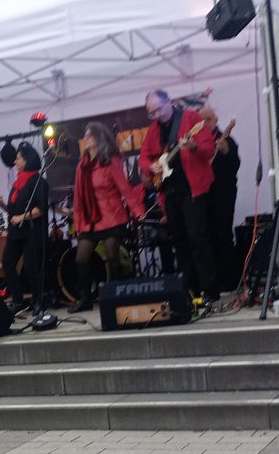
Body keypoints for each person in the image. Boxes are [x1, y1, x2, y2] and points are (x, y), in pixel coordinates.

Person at [140, 89, 220, 310]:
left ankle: (210, 291)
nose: (156, 115)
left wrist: (193, 146)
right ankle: (189, 290)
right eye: (151, 112)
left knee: (198, 240)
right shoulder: (153, 129)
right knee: (180, 243)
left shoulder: (191, 119)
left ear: (169, 102)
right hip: (171, 192)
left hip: (193, 189)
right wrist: (151, 166)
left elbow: (208, 149)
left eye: (158, 109)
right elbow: (144, 156)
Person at [69, 121, 144, 313]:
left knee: (112, 256)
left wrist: (138, 211)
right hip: (90, 221)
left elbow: (124, 188)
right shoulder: (82, 165)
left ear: (99, 137)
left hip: (112, 216)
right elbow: (78, 196)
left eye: (89, 135)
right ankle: (85, 300)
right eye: (84, 135)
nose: (85, 138)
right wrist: (78, 222)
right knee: (81, 259)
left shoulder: (111, 160)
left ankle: (118, 297)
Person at [0, 142, 50, 314]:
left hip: (31, 231)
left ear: (27, 160)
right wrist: (3, 205)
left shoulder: (38, 181)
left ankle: (38, 301)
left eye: (18, 159)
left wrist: (22, 217)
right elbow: (13, 211)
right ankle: (18, 299)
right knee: (7, 263)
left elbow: (40, 209)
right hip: (16, 231)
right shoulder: (18, 181)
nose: (15, 162)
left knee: (31, 266)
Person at [201, 106, 241, 303]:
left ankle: (230, 280)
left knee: (223, 234)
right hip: (204, 196)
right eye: (202, 120)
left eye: (208, 119)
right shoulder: (199, 142)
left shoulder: (226, 140)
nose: (205, 123)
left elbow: (235, 165)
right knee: (207, 237)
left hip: (223, 194)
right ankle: (213, 280)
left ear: (215, 120)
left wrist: (226, 152)